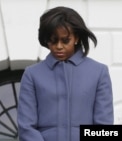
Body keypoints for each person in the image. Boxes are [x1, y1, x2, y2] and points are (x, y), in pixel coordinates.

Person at [17, 6, 114, 141]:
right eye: (53, 40)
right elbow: (26, 126)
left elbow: (104, 127)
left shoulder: (99, 72)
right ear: (46, 39)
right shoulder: (32, 74)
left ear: (76, 38)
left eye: (65, 40)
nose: (59, 46)